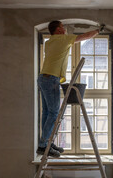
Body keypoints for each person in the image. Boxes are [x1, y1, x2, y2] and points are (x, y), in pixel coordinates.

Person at [37, 20, 100, 157]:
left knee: (47, 112)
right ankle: (43, 145)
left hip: (43, 78)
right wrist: (98, 31)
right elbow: (86, 36)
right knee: (54, 113)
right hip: (51, 79)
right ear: (58, 30)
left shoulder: (50, 42)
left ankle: (46, 143)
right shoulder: (63, 39)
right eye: (62, 27)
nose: (65, 29)